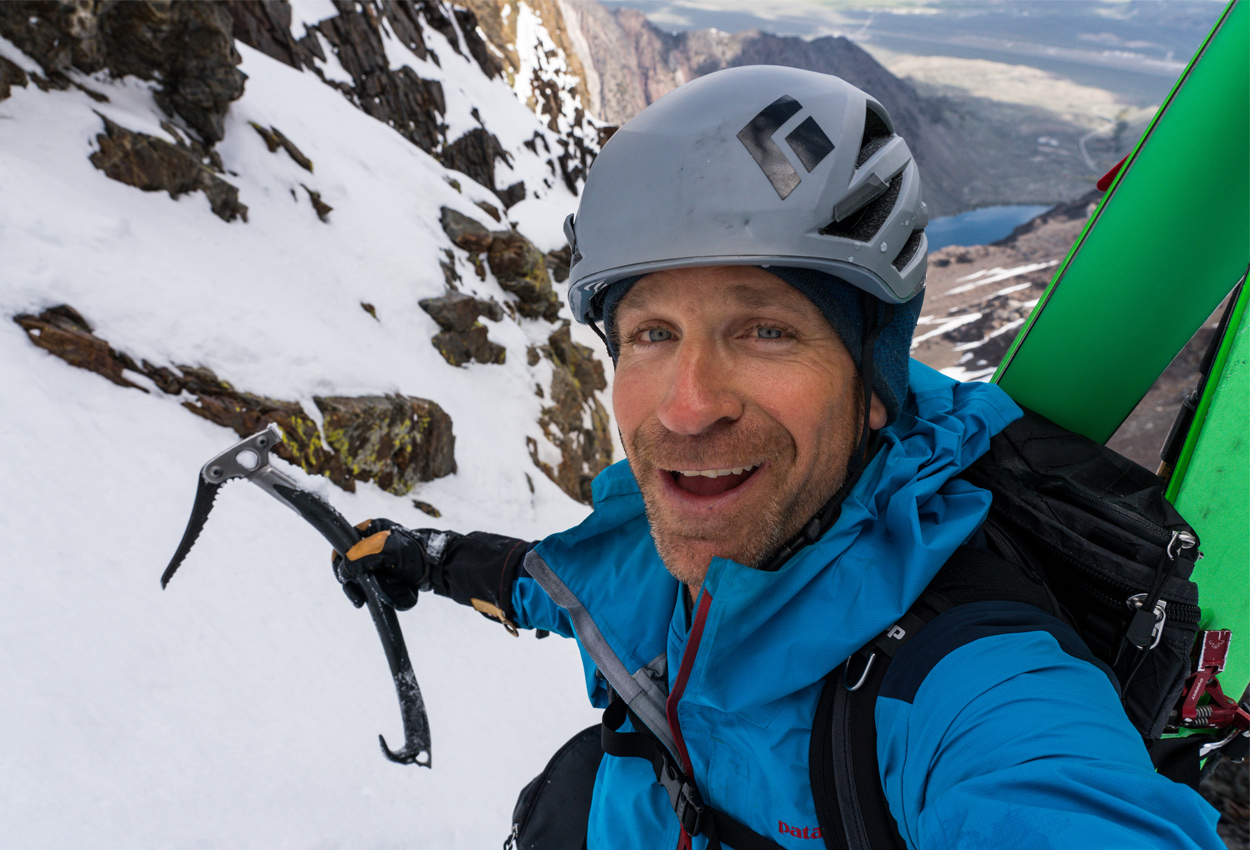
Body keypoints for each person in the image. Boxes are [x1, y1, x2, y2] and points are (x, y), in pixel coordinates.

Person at [336, 67, 1224, 849]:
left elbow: (1058, 795)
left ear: (873, 382)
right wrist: (430, 560)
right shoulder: (671, 536)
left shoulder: (968, 683)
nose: (688, 406)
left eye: (765, 329)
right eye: (651, 333)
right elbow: (562, 587)